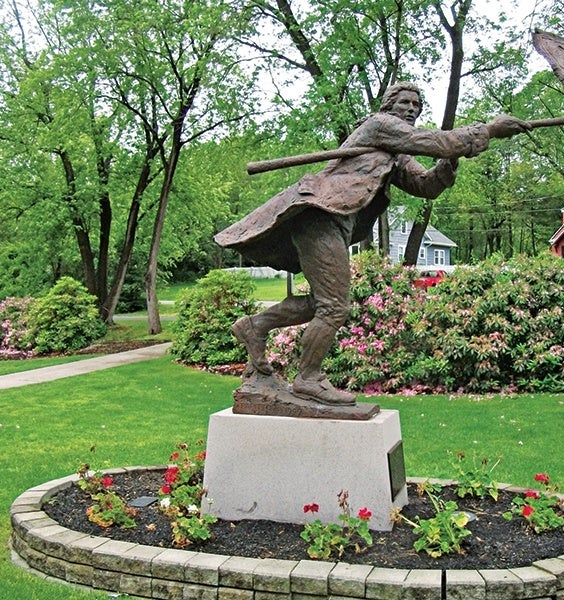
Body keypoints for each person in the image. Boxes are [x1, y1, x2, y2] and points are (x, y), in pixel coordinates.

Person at [215, 82, 528, 406]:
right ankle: (308, 378)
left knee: (322, 304)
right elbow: (438, 141)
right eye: (405, 102)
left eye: (416, 106)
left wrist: (451, 159)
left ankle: (256, 326)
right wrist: (489, 129)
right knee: (334, 308)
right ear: (389, 106)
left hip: (336, 222)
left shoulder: (395, 152)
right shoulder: (380, 126)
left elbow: (425, 185)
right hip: (321, 216)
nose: (411, 109)